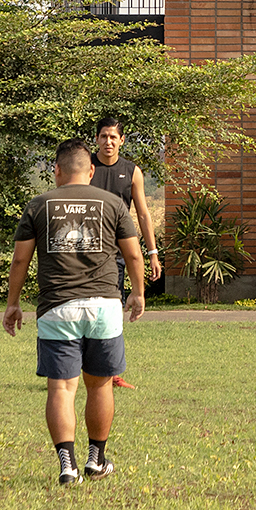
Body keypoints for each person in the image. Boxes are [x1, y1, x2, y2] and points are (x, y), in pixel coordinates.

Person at [4, 138, 147, 487]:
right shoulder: (113, 203)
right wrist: (138, 292)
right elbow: (133, 254)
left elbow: (20, 259)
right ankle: (95, 460)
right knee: (100, 385)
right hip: (104, 306)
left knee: (62, 388)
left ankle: (67, 466)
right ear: (92, 170)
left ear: (56, 170)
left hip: (57, 308)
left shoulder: (39, 205)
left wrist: (13, 303)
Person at [91, 117, 164, 388]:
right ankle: (77, 370)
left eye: (113, 137)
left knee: (112, 312)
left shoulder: (131, 171)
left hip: (116, 254)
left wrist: (152, 252)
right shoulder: (87, 167)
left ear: (121, 140)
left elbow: (143, 214)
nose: (108, 141)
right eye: (103, 136)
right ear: (96, 139)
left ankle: (110, 373)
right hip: (85, 253)